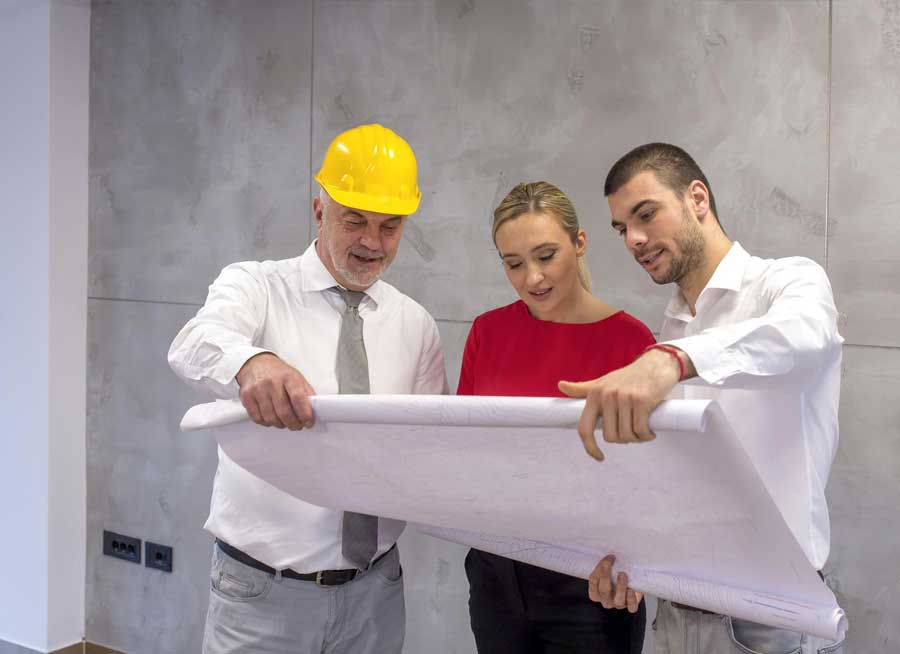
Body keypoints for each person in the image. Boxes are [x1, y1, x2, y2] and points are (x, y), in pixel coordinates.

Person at [168, 124, 447, 654]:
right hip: (261, 596)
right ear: (320, 211)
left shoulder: (416, 325)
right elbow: (192, 343)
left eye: (389, 227)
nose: (372, 242)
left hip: (376, 594)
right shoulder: (256, 287)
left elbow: (427, 448)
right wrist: (253, 362)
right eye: (354, 220)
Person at [559, 143, 844, 654]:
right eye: (622, 229)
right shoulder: (673, 326)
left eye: (646, 214)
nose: (634, 239)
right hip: (676, 611)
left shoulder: (787, 282)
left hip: (768, 620)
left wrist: (672, 359)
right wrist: (630, 559)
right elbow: (681, 480)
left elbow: (803, 335)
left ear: (697, 198)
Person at [457, 181, 654, 654]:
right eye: (514, 264)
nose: (533, 278)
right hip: (497, 571)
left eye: (546, 256)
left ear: (579, 242)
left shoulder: (632, 343)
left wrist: (640, 565)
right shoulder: (487, 332)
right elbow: (466, 449)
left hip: (593, 580)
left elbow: (653, 478)